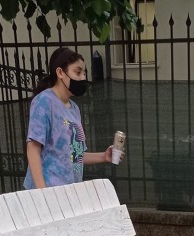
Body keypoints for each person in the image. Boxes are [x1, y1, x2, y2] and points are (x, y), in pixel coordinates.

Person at [24, 46, 122, 190]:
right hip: (48, 192)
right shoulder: (44, 102)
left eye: (84, 73)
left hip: (70, 192)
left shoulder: (74, 109)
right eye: (78, 72)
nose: (83, 77)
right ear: (60, 72)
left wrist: (104, 157)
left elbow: (74, 155)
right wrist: (42, 193)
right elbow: (33, 149)